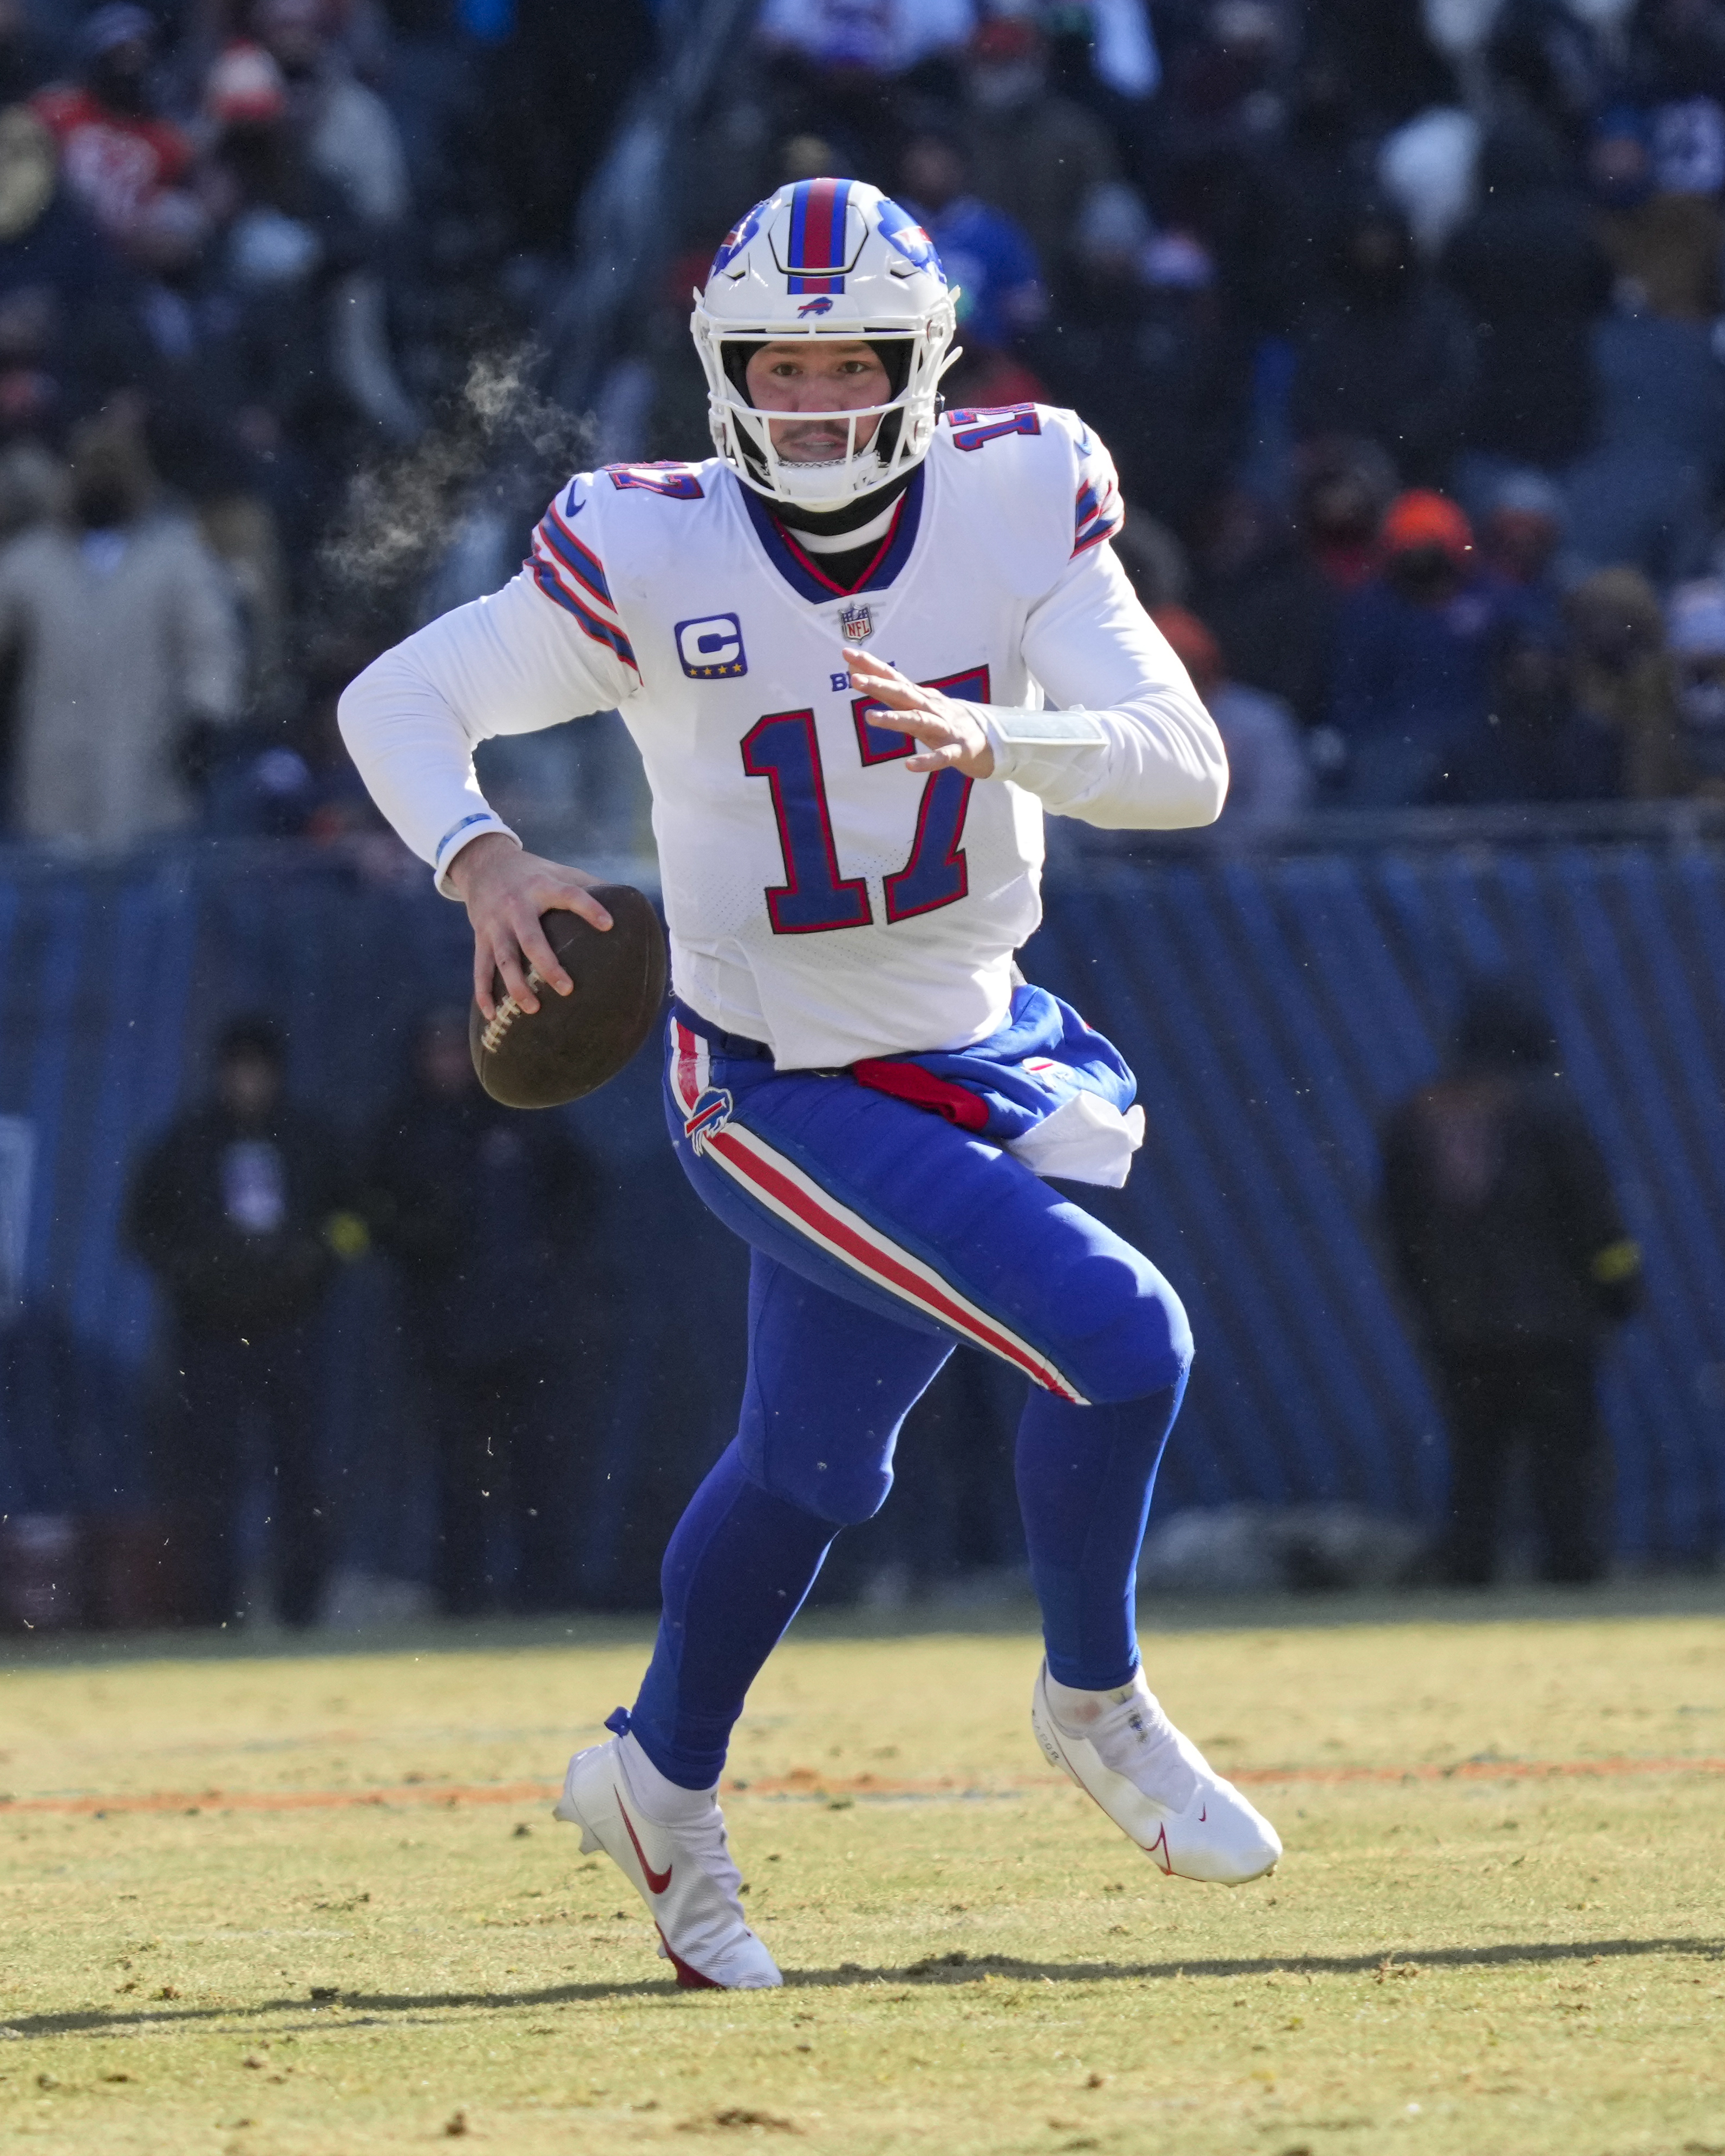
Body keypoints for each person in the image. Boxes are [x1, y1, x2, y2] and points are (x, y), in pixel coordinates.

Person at [339, 176, 1277, 1993]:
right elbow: (399, 699)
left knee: (811, 1470)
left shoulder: (1015, 497)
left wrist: (1003, 732)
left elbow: (1185, 767)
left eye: (858, 369)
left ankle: (656, 1782)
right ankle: (1092, 1696)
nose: (822, 406)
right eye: (785, 368)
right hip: (767, 1078)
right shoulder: (647, 544)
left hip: (962, 1046)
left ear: (923, 371)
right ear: (725, 374)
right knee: (1126, 1338)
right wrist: (482, 861)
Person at [1380, 981, 1642, 1586]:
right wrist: (1619, 1287)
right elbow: (1596, 1218)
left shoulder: (1417, 1114)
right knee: (1563, 1455)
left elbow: (1398, 1225)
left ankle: (1470, 1567)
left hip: (1457, 1325)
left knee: (1477, 1456)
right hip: (1554, 1323)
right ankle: (1571, 1566)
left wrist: (1428, 1302)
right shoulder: (1548, 1110)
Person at [123, 1015, 364, 1627]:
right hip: (210, 1335)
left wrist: (317, 1256)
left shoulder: (311, 1140)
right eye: (239, 1070)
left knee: (303, 1473)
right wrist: (195, 1272)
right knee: (209, 1477)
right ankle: (212, 1608)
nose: (248, 1083)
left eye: (259, 1070)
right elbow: (141, 1232)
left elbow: (358, 1220)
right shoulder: (186, 1143)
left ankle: (300, 1608)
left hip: (294, 1331)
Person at [367, 1007, 597, 1617]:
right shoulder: (404, 1130)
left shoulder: (525, 1117)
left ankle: (544, 1594)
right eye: (436, 1051)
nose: (447, 1063)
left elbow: (580, 1192)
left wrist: (551, 1255)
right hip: (446, 1334)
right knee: (457, 1472)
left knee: (538, 1465)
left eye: (456, 1050)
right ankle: (460, 1595)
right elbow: (376, 1215)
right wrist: (426, 1238)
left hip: (527, 1330)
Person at [0, 417, 243, 845]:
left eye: (113, 472)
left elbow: (211, 646)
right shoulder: (32, 561)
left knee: (147, 896)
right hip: (53, 780)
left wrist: (206, 717)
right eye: (92, 472)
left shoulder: (175, 558)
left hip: (148, 771)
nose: (102, 483)